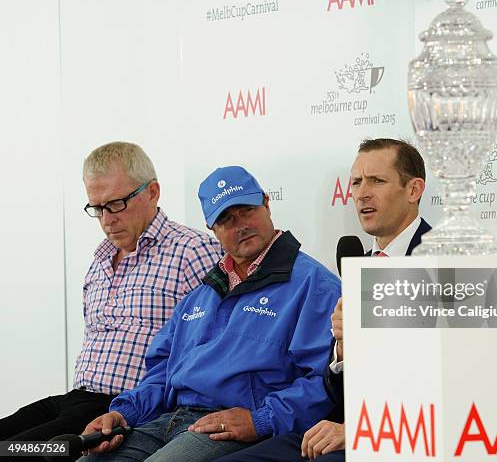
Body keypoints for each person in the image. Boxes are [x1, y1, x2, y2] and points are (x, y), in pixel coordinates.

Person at [79, 166, 340, 462]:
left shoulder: (315, 285)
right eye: (226, 219)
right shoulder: (202, 294)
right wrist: (122, 413)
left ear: (266, 204)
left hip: (231, 429)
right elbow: (162, 373)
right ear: (211, 228)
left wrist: (261, 419)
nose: (240, 224)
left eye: (246, 210)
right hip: (168, 421)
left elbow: (325, 381)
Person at [0, 142, 222, 452]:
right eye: (97, 208)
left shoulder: (192, 251)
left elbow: (219, 343)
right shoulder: (101, 259)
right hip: (75, 397)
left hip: (121, 408)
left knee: (14, 452)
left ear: (153, 192)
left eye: (116, 204)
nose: (107, 219)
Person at [218, 138, 431, 461]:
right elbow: (340, 390)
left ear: (414, 190)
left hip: (406, 434)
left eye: (377, 181)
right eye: (356, 182)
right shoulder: (359, 264)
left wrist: (361, 429)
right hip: (347, 423)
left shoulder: (445, 262)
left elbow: (445, 380)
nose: (362, 193)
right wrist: (342, 354)